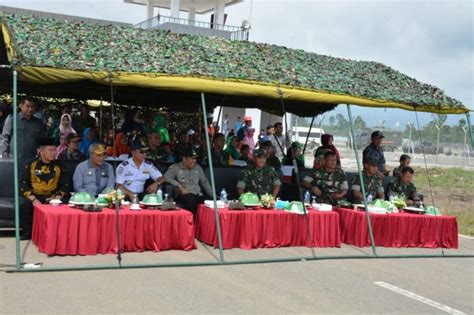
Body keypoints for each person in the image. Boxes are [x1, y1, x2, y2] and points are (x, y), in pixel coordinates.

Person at [20, 138, 67, 239]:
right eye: (50, 150)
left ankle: (58, 233)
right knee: (24, 204)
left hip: (53, 197)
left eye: (55, 150)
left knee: (67, 202)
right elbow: (23, 183)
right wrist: (33, 199)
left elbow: (65, 184)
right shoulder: (31, 164)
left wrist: (57, 197)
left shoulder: (59, 165)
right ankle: (29, 232)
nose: (54, 153)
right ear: (41, 151)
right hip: (35, 196)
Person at [164, 147, 213, 217]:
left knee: (212, 202)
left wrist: (213, 195)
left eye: (195, 159)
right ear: (184, 159)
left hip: (198, 195)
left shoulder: (197, 167)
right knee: (191, 200)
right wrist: (179, 186)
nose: (194, 161)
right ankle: (192, 224)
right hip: (183, 196)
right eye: (192, 158)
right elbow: (166, 177)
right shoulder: (175, 167)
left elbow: (204, 182)